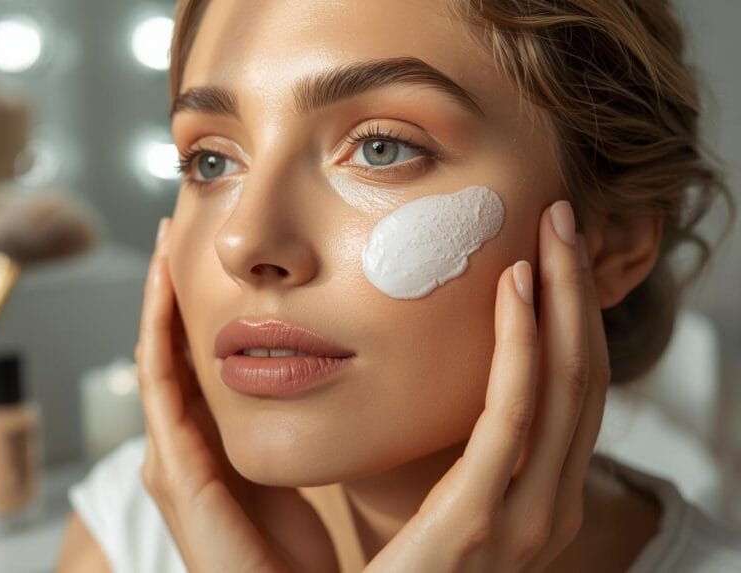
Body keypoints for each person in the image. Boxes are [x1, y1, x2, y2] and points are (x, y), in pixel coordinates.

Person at [57, 0, 741, 570]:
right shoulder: (129, 535)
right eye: (211, 161)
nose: (243, 242)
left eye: (382, 147)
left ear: (613, 240)